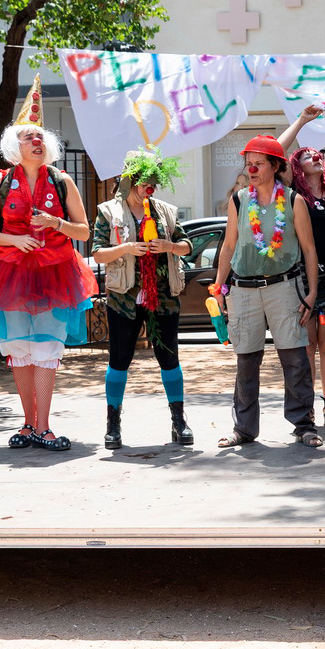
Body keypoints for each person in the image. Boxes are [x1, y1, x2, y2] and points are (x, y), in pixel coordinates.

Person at [0, 77, 96, 452]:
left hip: (56, 273)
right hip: (10, 274)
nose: (35, 141)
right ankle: (27, 423)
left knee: (46, 350)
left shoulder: (62, 180)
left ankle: (43, 426)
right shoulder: (1, 181)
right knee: (19, 350)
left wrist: (56, 223)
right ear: (15, 146)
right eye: (28, 137)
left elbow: (84, 231)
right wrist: (15, 239)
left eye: (39, 136)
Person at [213, 132, 321, 448]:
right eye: (249, 163)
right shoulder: (238, 200)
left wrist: (311, 293)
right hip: (243, 290)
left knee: (295, 359)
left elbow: (309, 250)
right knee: (246, 361)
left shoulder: (293, 200)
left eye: (259, 163)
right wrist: (219, 286)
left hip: (284, 287)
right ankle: (244, 429)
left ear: (275, 166)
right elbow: (229, 246)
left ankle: (304, 425)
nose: (252, 169)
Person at [89, 148, 194, 450]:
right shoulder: (108, 211)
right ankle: (112, 425)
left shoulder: (165, 211)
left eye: (153, 184)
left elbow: (187, 245)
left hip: (163, 296)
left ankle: (179, 421)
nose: (150, 189)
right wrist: (126, 248)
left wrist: (170, 247)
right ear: (130, 180)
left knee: (169, 358)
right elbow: (97, 253)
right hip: (124, 297)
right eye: (144, 183)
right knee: (119, 359)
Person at [281, 109, 325, 429]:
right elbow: (276, 152)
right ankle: (305, 407)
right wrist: (303, 122)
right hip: (301, 277)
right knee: (306, 345)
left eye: (317, 153)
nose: (315, 156)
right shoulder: (293, 194)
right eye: (306, 155)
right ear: (296, 166)